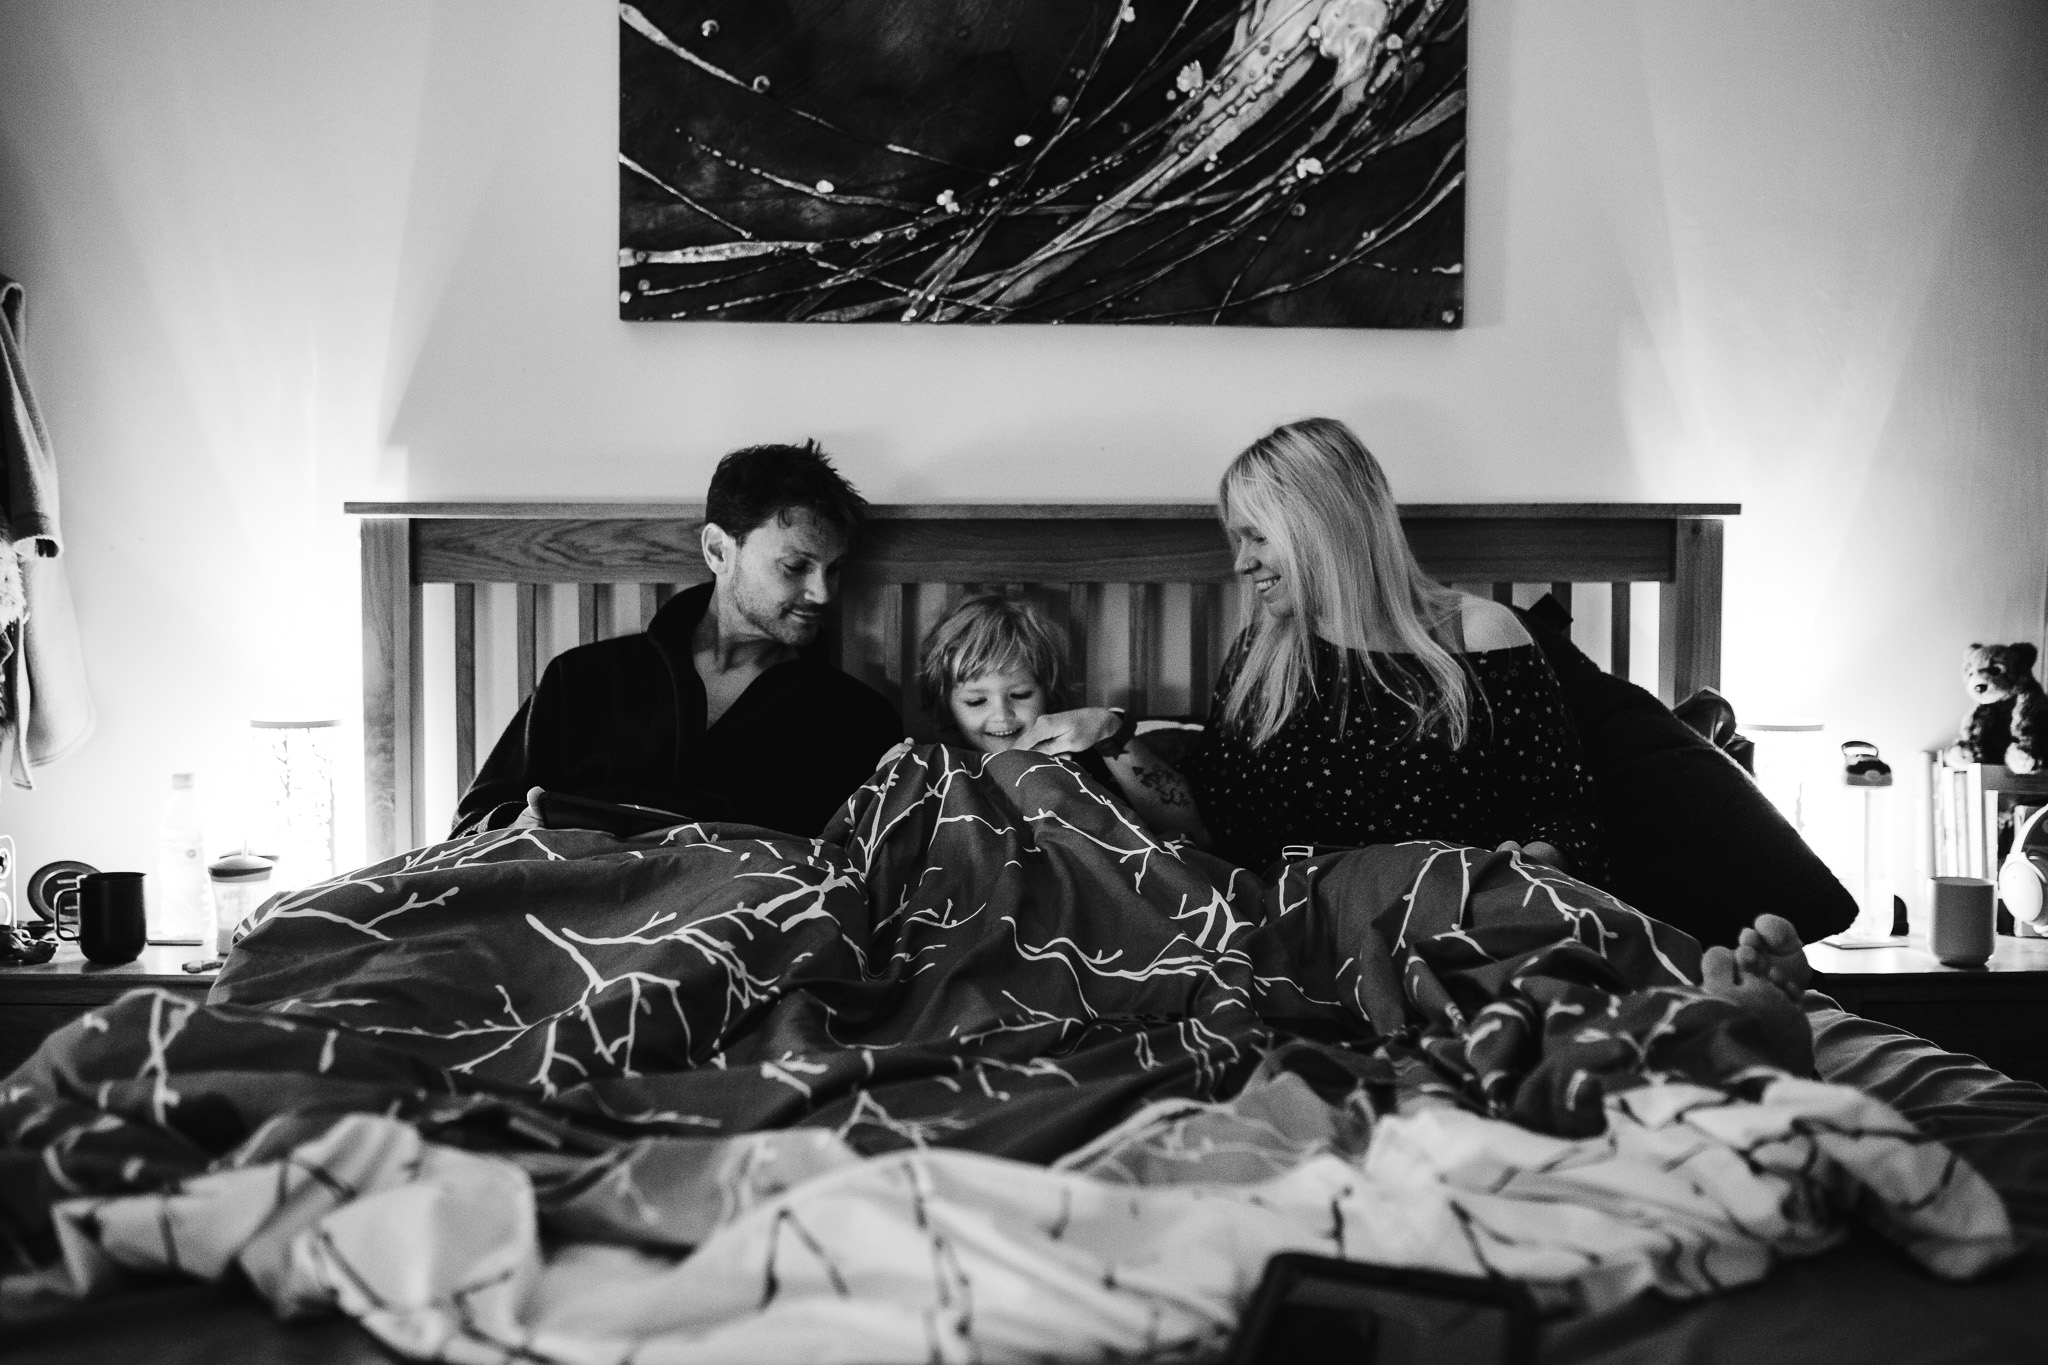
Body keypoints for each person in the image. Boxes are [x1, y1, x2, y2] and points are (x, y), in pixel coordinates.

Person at [1177, 417, 1607, 877]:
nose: (1242, 563)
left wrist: (1522, 865)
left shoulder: (1478, 638)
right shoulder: (1258, 656)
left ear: (1327, 527)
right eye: (1238, 539)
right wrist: (1113, 741)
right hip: (1292, 922)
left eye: (1259, 536)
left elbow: (1570, 819)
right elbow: (1208, 822)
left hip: (1443, 921)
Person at [451, 441, 903, 839]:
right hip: (570, 905)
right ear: (718, 551)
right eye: (795, 567)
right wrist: (519, 828)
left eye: (835, 569)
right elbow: (471, 825)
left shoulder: (856, 722)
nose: (823, 593)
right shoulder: (584, 681)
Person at [913, 594, 1206, 844]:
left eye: (1021, 695)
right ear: (946, 704)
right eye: (976, 701)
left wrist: (1111, 732)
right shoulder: (938, 770)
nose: (1002, 715)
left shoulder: (1085, 759)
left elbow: (1190, 831)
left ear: (1049, 692)